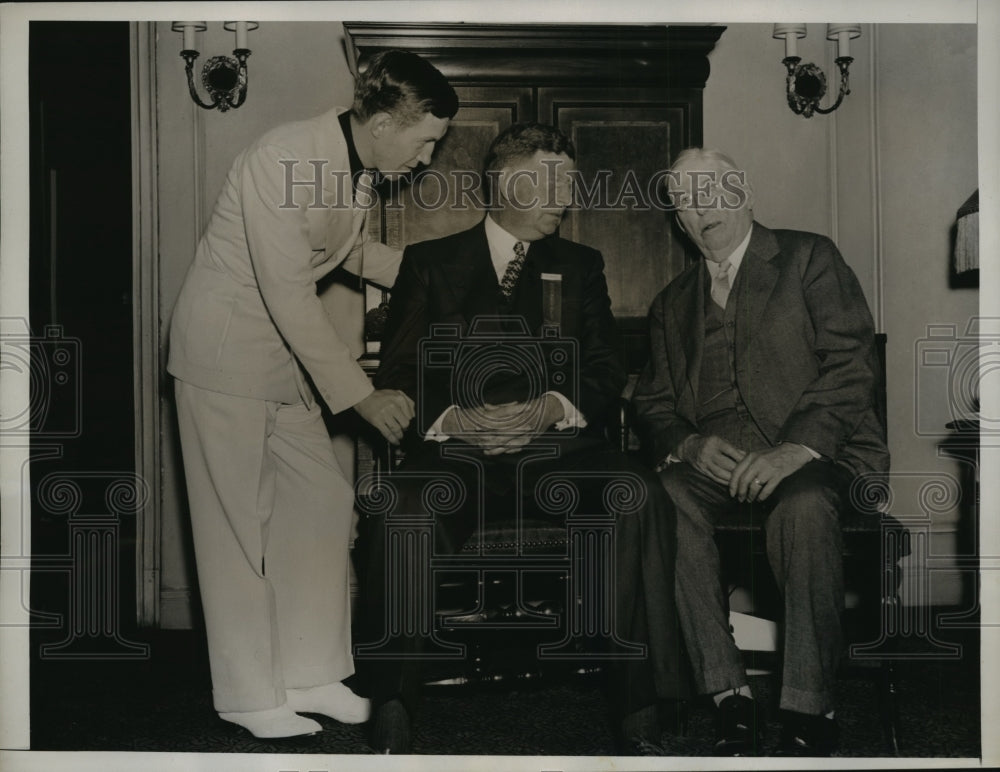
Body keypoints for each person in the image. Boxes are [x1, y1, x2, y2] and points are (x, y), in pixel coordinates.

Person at [357, 123, 686, 755]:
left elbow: (605, 369)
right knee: (397, 508)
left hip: (559, 453)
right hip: (455, 455)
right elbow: (398, 374)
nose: (565, 198)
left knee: (637, 493)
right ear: (506, 182)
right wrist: (457, 420)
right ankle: (392, 708)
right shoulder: (429, 263)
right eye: (551, 183)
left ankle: (642, 710)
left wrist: (549, 409)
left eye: (569, 183)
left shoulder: (581, 265)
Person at [167, 50, 457, 739]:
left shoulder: (355, 164)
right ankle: (247, 695)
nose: (426, 159)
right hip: (223, 357)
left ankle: (310, 672)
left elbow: (342, 249)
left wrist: (436, 277)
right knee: (237, 528)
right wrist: (362, 396)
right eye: (424, 142)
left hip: (279, 362)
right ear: (383, 125)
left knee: (323, 501)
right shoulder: (283, 157)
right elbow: (291, 291)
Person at [632, 148, 889, 756]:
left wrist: (796, 448)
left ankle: (809, 701)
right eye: (685, 202)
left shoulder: (809, 258)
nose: (701, 209)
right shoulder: (671, 303)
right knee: (664, 498)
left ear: (743, 195)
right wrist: (689, 444)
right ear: (678, 222)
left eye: (712, 192)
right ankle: (728, 693)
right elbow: (654, 404)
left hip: (819, 460)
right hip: (717, 470)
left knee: (802, 507)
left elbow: (852, 364)